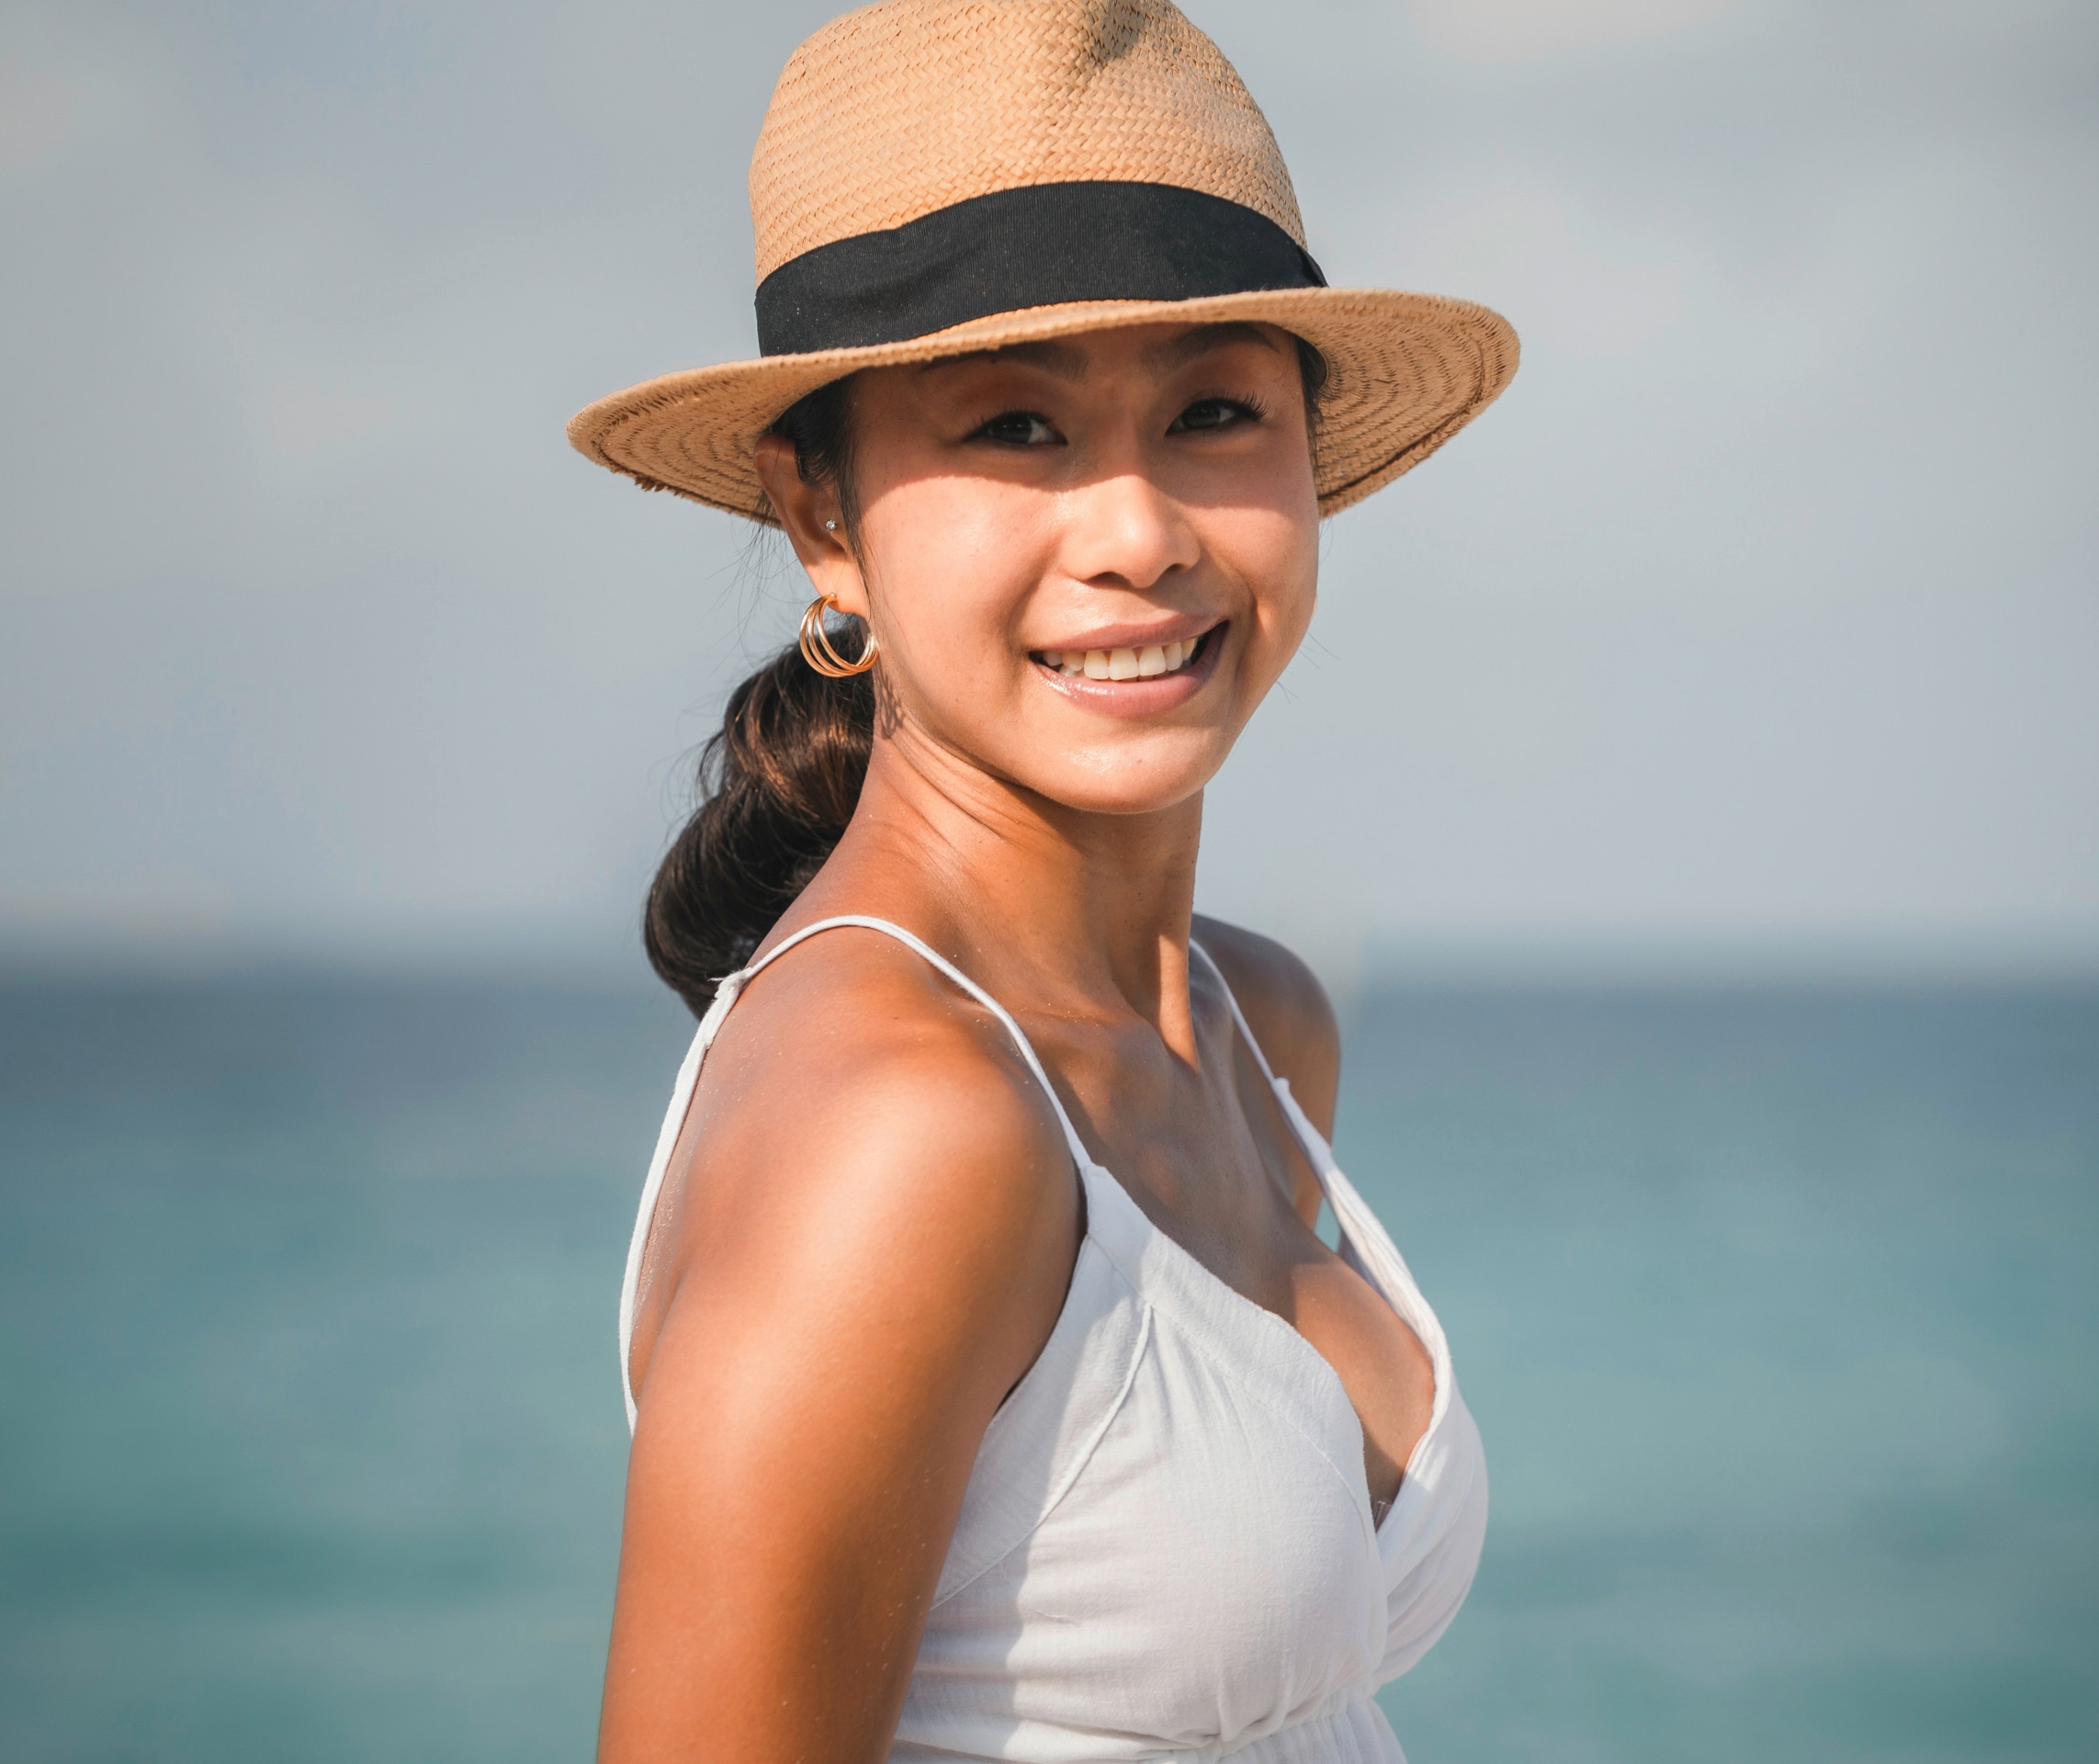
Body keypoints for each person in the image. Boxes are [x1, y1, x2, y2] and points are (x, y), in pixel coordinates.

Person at [567, 2, 1517, 1758]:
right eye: (1016, 430)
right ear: (822, 519)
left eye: (1216, 411)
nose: (1140, 528)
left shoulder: (1256, 1025)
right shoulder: (908, 1124)